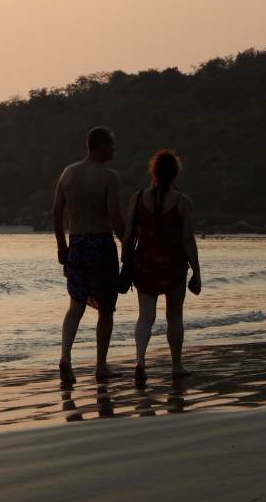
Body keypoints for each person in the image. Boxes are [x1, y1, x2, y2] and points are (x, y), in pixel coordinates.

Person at [52, 126, 126, 383]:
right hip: (100, 243)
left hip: (77, 242)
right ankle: (101, 365)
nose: (115, 149)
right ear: (101, 146)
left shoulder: (68, 173)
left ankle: (65, 357)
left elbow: (56, 213)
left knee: (76, 304)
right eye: (112, 145)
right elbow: (115, 216)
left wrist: (62, 246)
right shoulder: (109, 177)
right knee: (106, 308)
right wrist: (128, 244)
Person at [124, 150, 201, 384]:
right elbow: (188, 239)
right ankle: (176, 365)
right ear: (175, 173)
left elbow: (128, 236)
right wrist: (197, 270)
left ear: (153, 171)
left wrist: (126, 264)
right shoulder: (182, 201)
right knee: (174, 317)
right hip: (173, 266)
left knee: (145, 316)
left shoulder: (137, 199)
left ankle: (140, 360)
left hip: (144, 265)